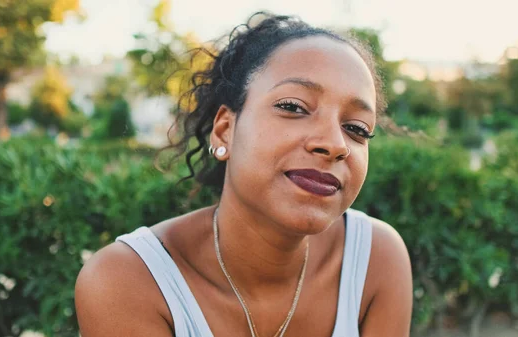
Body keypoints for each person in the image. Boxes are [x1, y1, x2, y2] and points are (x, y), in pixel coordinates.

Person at [75, 12, 412, 337]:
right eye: (293, 107)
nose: (335, 144)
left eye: (356, 128)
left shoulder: (375, 260)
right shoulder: (128, 281)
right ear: (224, 131)